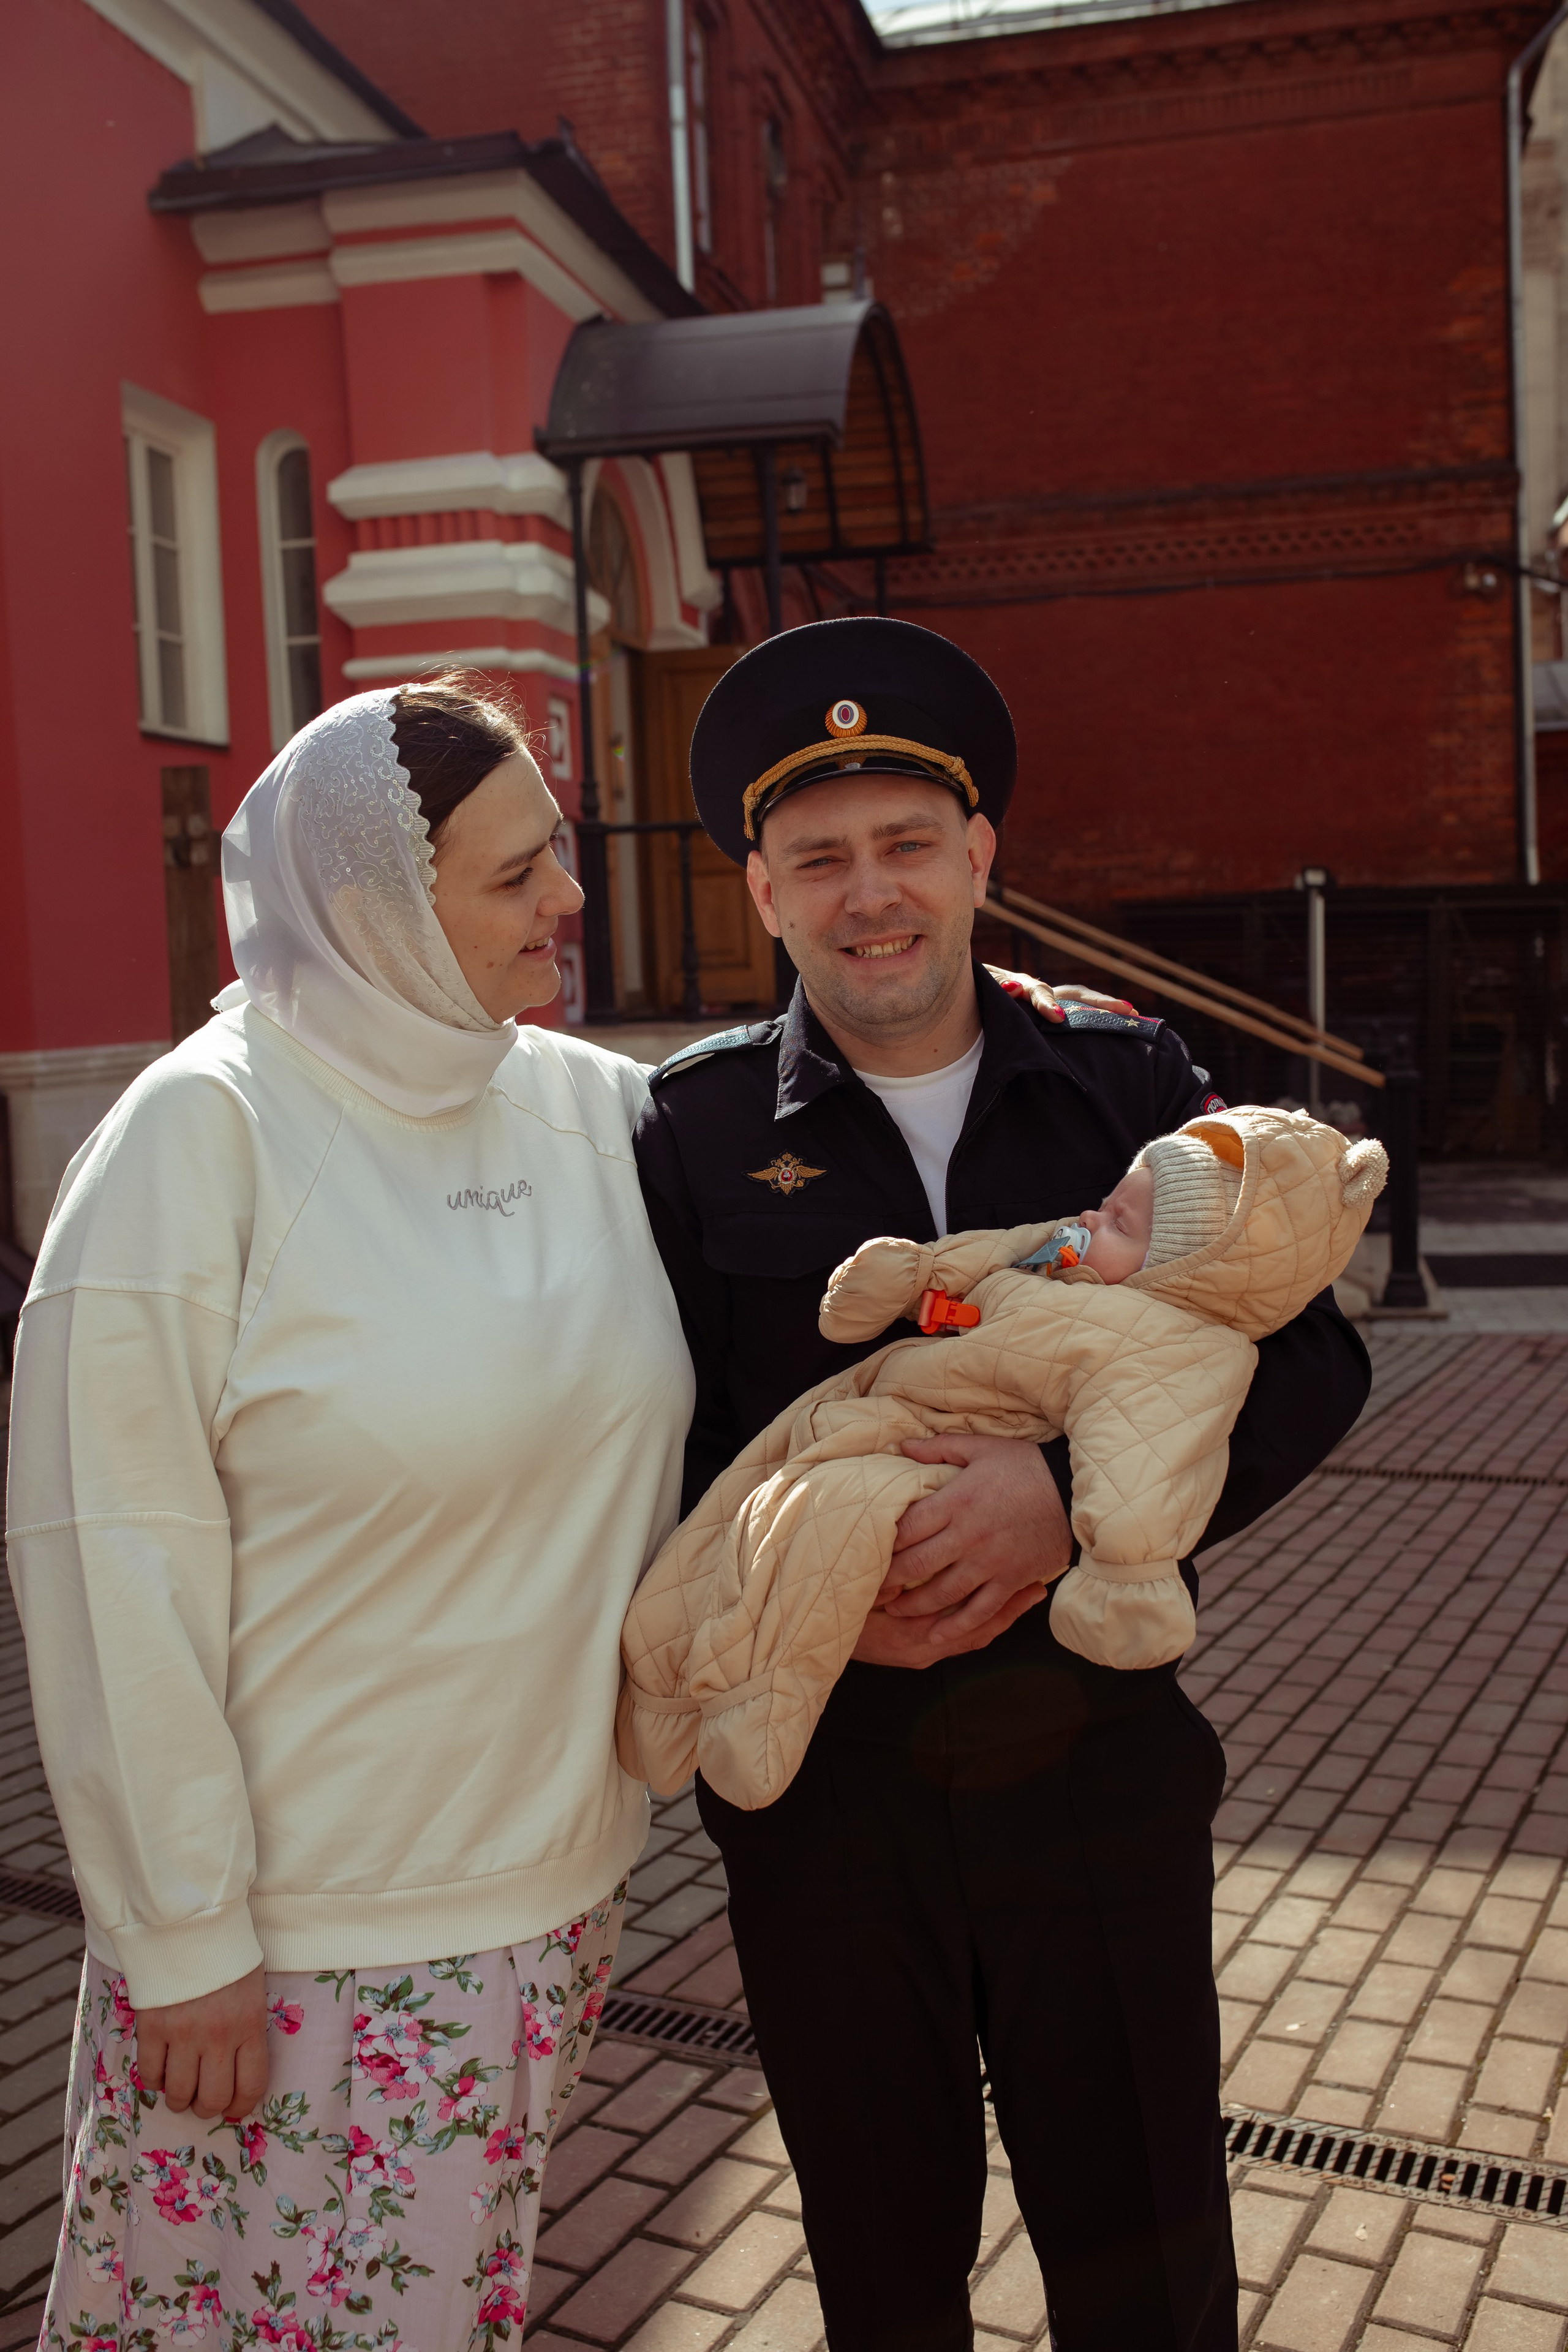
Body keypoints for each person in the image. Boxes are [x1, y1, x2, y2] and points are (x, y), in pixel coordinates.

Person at [631, 616, 1373, 2352]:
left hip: (1090, 1775)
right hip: (826, 1801)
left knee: (1149, 2263)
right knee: (885, 2273)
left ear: (979, 857)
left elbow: (1310, 1353)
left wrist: (1067, 1501)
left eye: (905, 847)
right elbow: (661, 1435)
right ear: (761, 890)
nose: (869, 894)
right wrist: (762, 1585)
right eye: (820, 859)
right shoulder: (692, 1128)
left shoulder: (1126, 1077)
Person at [5, 680, 694, 2351]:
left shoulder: (590, 1108)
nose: (570, 901)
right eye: (518, 874)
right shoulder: (203, 1136)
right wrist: (181, 1936)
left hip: (551, 1894)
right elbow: (112, 1560)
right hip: (295, 1949)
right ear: (380, 901)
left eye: (564, 857)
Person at [618, 1103, 1387, 1809]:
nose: (1091, 1217)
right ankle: (656, 1705)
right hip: (863, 1417)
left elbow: (1146, 1459)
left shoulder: (1171, 1346)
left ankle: (757, 1708)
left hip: (935, 1494)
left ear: (1184, 1270)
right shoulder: (706, 1108)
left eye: (1119, 1220)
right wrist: (914, 1276)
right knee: (726, 1521)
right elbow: (990, 1258)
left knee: (820, 1521)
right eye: (1109, 1203)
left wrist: (1116, 1562)